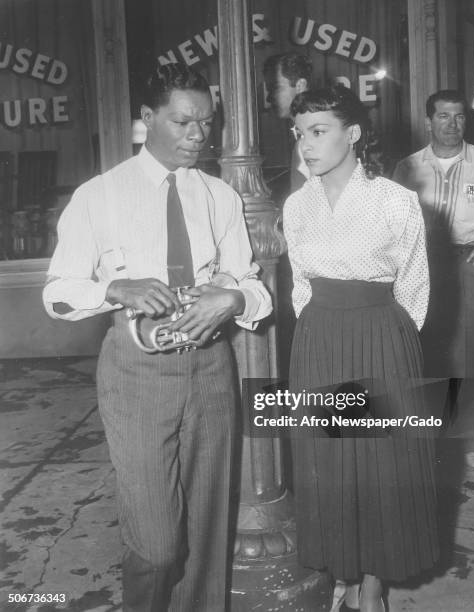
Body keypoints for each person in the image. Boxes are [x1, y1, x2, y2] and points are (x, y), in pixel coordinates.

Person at [42, 63, 272, 612]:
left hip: (213, 371)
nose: (199, 135)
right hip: (135, 374)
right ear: (147, 119)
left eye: (207, 122)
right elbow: (57, 294)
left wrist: (233, 298)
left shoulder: (220, 196)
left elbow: (252, 286)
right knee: (157, 541)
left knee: (209, 530)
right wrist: (116, 287)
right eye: (183, 122)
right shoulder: (99, 195)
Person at [283, 85, 439, 612]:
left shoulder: (396, 201)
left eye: (319, 131)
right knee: (327, 458)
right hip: (319, 339)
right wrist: (317, 337)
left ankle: (371, 583)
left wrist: (390, 351)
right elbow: (299, 288)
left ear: (352, 134)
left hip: (380, 338)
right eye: (300, 132)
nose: (307, 143)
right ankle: (343, 571)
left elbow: (415, 289)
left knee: (379, 463)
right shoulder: (295, 205)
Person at [393, 89, 474, 471]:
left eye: (459, 117)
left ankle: (471, 439)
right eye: (443, 117)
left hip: (471, 259)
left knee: (473, 350)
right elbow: (396, 224)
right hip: (426, 262)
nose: (452, 125)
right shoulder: (408, 167)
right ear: (428, 120)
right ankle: (429, 434)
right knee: (428, 346)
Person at [263, 52, 312, 191]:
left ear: (300, 85)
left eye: (276, 88)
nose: (269, 98)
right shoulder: (301, 131)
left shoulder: (313, 137)